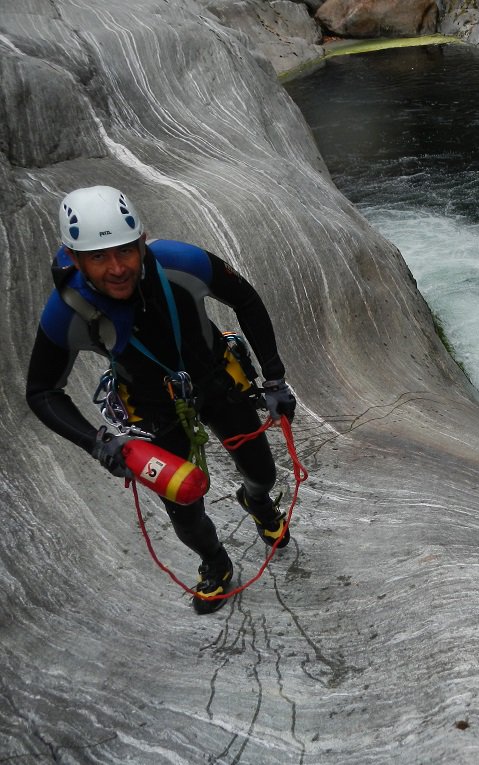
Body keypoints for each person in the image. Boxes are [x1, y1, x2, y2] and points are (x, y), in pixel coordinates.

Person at [25, 185, 298, 614]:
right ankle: (214, 561)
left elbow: (244, 297)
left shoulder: (178, 262)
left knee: (262, 472)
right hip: (151, 408)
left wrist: (276, 378)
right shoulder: (68, 310)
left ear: (141, 242)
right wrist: (97, 441)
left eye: (125, 251)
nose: (117, 268)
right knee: (184, 508)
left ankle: (257, 501)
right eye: (98, 257)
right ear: (75, 259)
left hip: (216, 381)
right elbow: (41, 390)